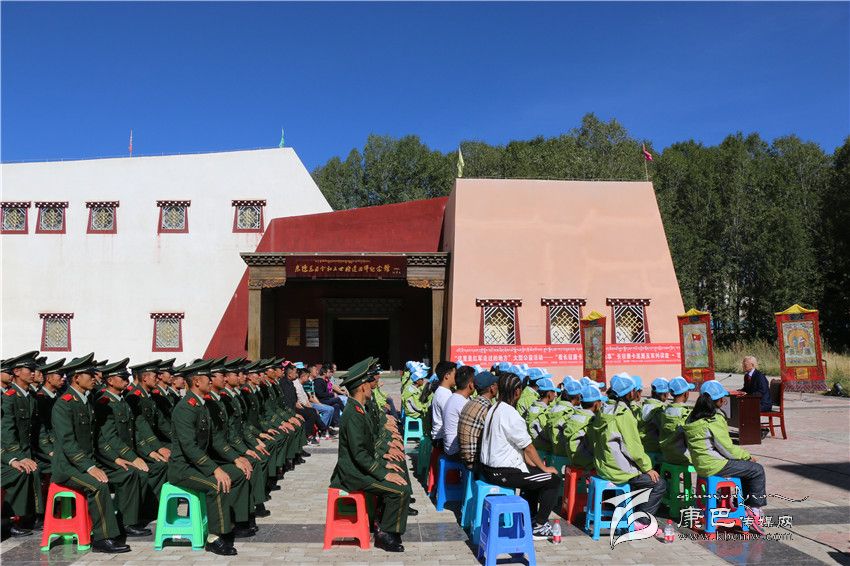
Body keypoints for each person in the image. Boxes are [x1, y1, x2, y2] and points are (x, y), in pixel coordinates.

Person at [168, 359, 252, 556]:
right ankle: (214, 538)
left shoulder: (201, 404)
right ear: (197, 381)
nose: (211, 380)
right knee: (217, 484)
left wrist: (236, 459)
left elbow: (216, 439)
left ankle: (234, 522)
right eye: (207, 377)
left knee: (239, 473)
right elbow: (189, 447)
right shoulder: (185, 408)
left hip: (197, 465)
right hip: (183, 468)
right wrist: (215, 469)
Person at [330, 358, 412, 553]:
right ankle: (386, 534)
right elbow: (359, 454)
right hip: (353, 474)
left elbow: (369, 446)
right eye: (368, 382)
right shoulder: (353, 414)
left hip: (360, 468)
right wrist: (383, 473)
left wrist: (386, 464)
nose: (371, 385)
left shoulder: (358, 409)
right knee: (399, 490)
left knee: (399, 476)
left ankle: (382, 522)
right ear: (362, 387)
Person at [51, 354, 130, 553]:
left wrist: (115, 459)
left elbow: (98, 438)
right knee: (98, 486)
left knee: (126, 474)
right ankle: (102, 538)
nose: (95, 378)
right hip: (67, 467)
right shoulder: (63, 404)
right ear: (77, 378)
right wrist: (90, 467)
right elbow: (68, 443)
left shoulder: (86, 401)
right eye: (90, 374)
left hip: (87, 462)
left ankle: (122, 524)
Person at [480, 373, 561, 539]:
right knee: (553, 480)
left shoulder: (494, 408)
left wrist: (536, 466)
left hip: (488, 468)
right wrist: (545, 467)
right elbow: (528, 447)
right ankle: (539, 525)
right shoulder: (510, 414)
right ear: (517, 391)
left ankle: (529, 519)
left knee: (534, 475)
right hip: (502, 472)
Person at [685, 381, 768, 535]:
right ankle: (754, 510)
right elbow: (727, 448)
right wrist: (747, 456)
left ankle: (741, 504)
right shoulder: (713, 419)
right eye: (723, 398)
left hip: (701, 465)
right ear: (718, 400)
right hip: (715, 464)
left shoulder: (692, 417)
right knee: (756, 470)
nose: (724, 400)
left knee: (744, 468)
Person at [588, 373, 665, 537]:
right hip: (618, 470)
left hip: (603, 467)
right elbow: (633, 448)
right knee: (658, 483)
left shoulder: (603, 409)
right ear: (629, 393)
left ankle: (623, 511)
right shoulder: (623, 413)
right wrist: (647, 468)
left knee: (641, 480)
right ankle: (641, 522)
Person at [93, 358, 151, 537]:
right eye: (123, 378)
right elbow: (108, 437)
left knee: (143, 473)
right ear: (110, 381)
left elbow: (132, 432)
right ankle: (127, 522)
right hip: (106, 456)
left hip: (122, 453)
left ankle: (131, 516)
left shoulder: (121, 400)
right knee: (130, 474)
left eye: (127, 377)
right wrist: (127, 458)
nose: (127, 380)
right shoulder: (104, 402)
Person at [1, 351, 43, 536]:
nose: (34, 373)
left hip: (27, 450)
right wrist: (17, 457)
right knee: (21, 472)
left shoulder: (30, 396)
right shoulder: (9, 397)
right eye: (30, 369)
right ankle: (12, 519)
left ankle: (34, 515)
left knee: (39, 468)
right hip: (7, 452)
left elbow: (36, 431)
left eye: (34, 369)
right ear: (17, 372)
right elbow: (6, 432)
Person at [457, 370, 498, 470]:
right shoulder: (487, 407)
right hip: (474, 460)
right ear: (492, 388)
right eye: (496, 384)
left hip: (464, 456)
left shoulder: (472, 402)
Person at [563, 384, 608, 470]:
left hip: (573, 460)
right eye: (600, 402)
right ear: (596, 404)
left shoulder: (573, 417)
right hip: (588, 464)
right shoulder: (592, 421)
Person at [659, 377, 696, 466]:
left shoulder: (665, 410)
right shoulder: (685, 413)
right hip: (683, 457)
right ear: (686, 394)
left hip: (666, 455)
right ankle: (689, 472)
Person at [442, 365, 474, 460]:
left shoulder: (454, 397)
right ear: (471, 385)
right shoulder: (462, 403)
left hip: (450, 448)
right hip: (455, 451)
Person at [547, 378, 582, 462]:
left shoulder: (554, 408)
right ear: (577, 396)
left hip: (554, 454)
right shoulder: (570, 412)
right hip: (566, 456)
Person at [525, 377, 559, 455]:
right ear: (549, 394)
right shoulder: (542, 412)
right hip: (543, 452)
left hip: (534, 448)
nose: (555, 395)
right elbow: (547, 433)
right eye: (553, 392)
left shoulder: (533, 407)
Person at [638, 378, 669, 454]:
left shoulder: (643, 406)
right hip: (655, 449)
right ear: (665, 394)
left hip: (642, 447)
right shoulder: (660, 409)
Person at [429, 361, 457, 446]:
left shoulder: (442, 391)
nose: (457, 377)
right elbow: (449, 419)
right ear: (447, 375)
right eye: (455, 374)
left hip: (440, 436)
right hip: (441, 438)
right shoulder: (444, 394)